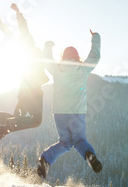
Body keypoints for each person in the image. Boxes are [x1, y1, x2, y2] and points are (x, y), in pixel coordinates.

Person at [37, 30, 103, 179]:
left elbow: (47, 59)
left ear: (63, 57)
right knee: (79, 141)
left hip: (59, 112)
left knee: (66, 142)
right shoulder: (83, 69)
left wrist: (48, 46)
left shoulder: (57, 69)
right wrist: (95, 37)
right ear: (77, 57)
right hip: (77, 111)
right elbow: (95, 56)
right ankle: (89, 155)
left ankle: (45, 160)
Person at [0, 3, 49, 144]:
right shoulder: (32, 49)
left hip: (24, 91)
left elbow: (9, 33)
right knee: (35, 121)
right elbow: (23, 27)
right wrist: (17, 12)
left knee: (17, 117)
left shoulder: (22, 47)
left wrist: (0, 22)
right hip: (34, 92)